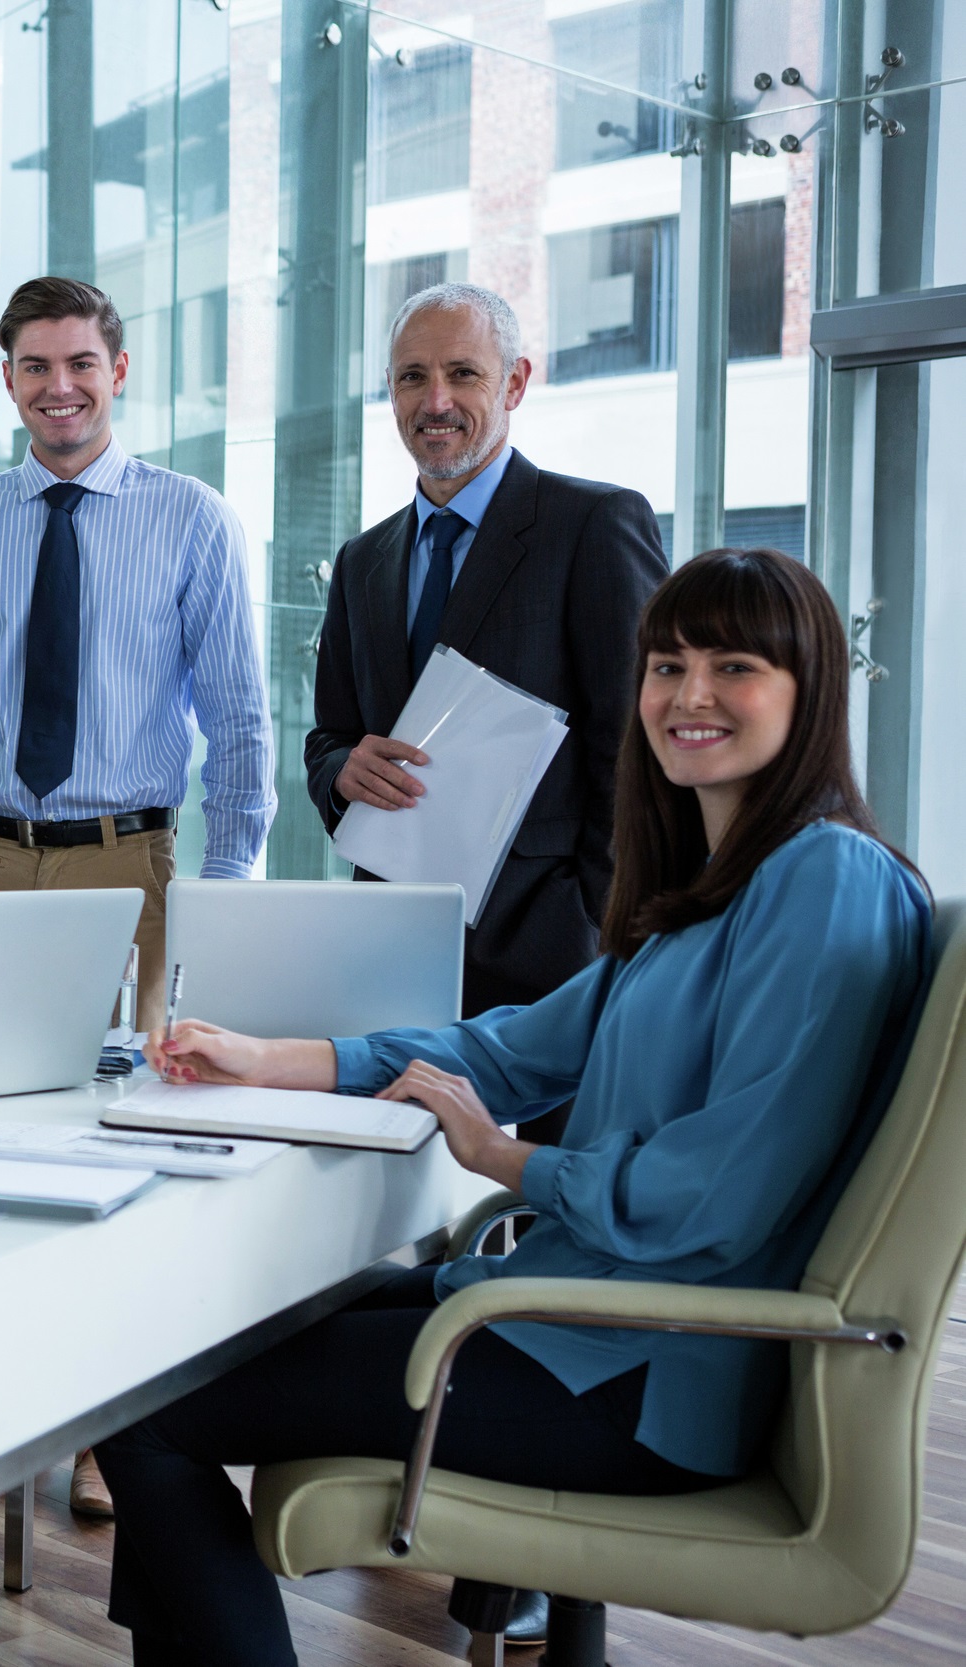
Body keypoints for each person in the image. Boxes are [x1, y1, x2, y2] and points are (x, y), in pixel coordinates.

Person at [98, 548, 932, 1665]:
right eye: (666, 663)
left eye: (733, 665)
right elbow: (500, 1044)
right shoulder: (710, 895)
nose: (688, 695)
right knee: (179, 1343)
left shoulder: (823, 877)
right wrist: (266, 1055)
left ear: (807, 688)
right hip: (575, 1316)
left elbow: (718, 1191)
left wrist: (507, 1160)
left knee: (144, 1412)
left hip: (635, 1369)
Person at [0, 273, 273, 1520]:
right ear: (5, 378)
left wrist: (227, 885)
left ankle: (115, 1409)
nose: (58, 386)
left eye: (80, 364)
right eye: (33, 365)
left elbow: (240, 717)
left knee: (134, 1128)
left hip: (130, 854)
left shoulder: (192, 519)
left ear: (118, 371)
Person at [308, 282, 666, 1018]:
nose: (434, 400)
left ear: (515, 382)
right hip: (394, 953)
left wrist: (596, 923)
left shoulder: (593, 523)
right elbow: (327, 739)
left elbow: (637, 747)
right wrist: (343, 772)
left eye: (462, 373)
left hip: (554, 959)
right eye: (412, 377)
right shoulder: (362, 561)